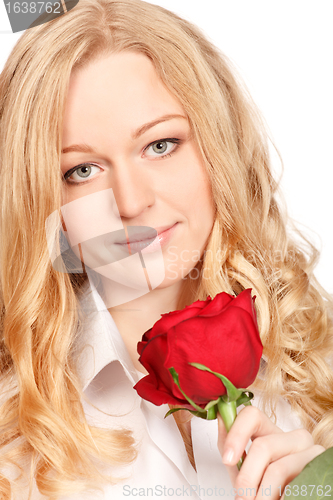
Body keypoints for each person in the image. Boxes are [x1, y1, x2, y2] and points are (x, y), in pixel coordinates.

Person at [0, 0, 332, 498]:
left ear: (220, 147)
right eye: (81, 171)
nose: (132, 203)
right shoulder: (13, 440)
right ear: (42, 201)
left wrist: (318, 485)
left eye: (160, 145)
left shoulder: (317, 365)